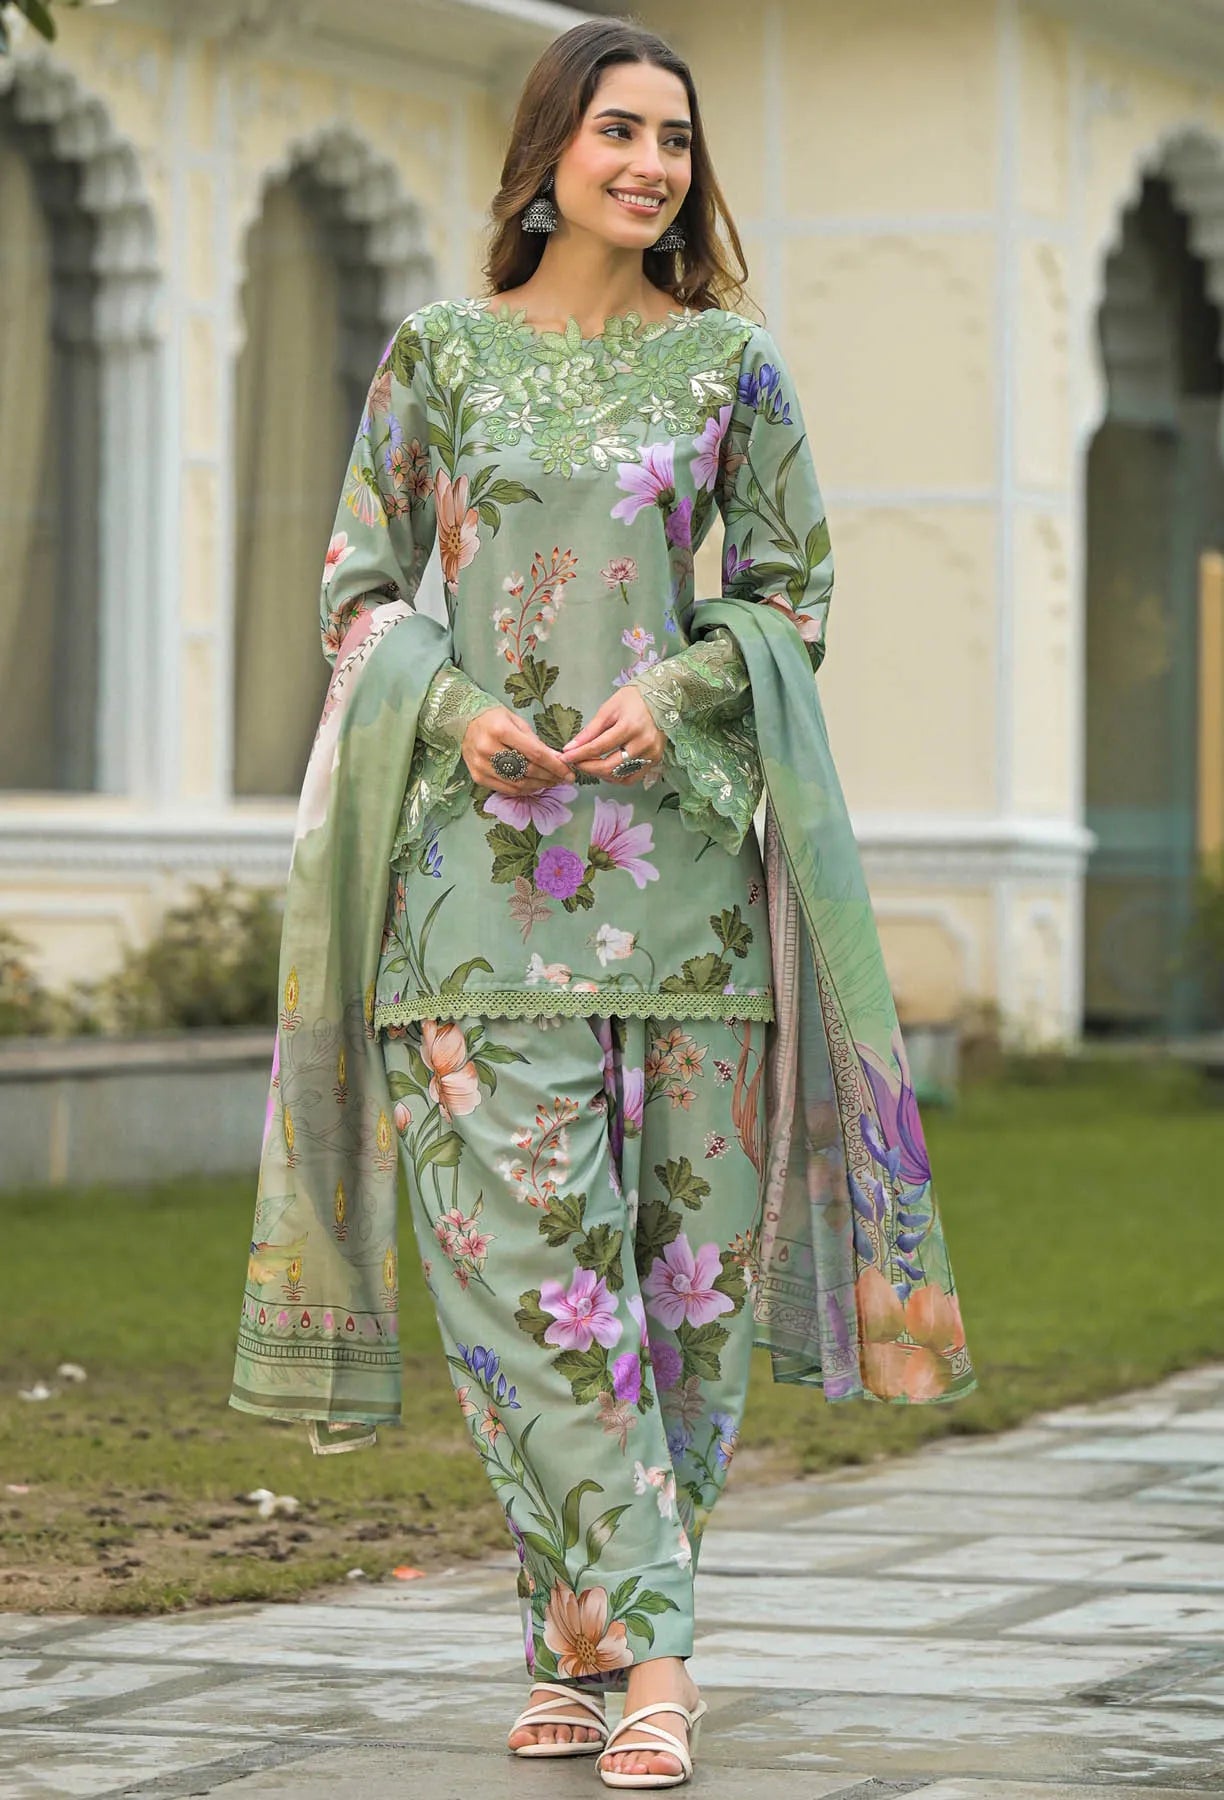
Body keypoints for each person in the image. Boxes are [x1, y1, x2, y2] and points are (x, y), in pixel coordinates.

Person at [230, 18, 976, 1790]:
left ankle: (567, 1647)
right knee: (524, 1287)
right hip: (474, 898)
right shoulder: (440, 357)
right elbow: (356, 589)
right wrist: (461, 702)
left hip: (701, 901)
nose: (650, 163)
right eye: (620, 129)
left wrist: (697, 683)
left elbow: (790, 595)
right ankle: (659, 1662)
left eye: (675, 139)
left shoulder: (732, 365)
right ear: (550, 146)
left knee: (673, 1298)